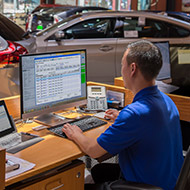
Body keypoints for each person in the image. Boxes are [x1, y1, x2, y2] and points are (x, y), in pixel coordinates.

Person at [62, 40, 184, 190]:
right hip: (170, 182)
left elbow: (94, 151)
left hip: (148, 185)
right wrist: (122, 117)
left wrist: (76, 133)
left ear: (132, 68)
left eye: (122, 64)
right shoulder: (167, 101)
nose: (121, 70)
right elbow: (148, 126)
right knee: (99, 170)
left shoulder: (134, 114)